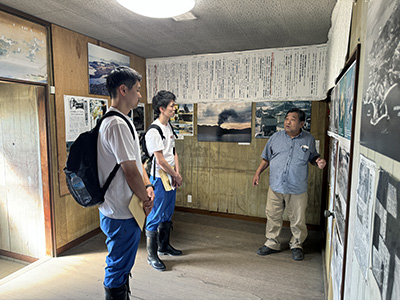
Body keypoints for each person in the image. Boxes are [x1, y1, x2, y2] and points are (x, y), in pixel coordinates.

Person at [97, 66, 154, 299]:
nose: (140, 96)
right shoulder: (117, 124)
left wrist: (147, 187)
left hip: (124, 207)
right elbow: (130, 172)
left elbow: (138, 163)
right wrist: (145, 199)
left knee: (122, 264)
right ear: (123, 90)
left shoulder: (122, 121)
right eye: (137, 90)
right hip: (120, 211)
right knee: (118, 266)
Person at [252, 108, 326, 261]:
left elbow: (312, 157)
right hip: (276, 185)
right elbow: (266, 158)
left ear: (301, 123)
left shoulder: (308, 139)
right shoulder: (275, 137)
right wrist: (258, 173)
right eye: (286, 118)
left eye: (292, 119)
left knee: (297, 218)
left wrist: (318, 161)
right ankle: (272, 242)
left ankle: (297, 244)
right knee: (272, 215)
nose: (287, 121)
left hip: (297, 186)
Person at [144, 90, 183, 271]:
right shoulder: (154, 131)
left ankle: (164, 246)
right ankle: (152, 256)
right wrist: (175, 175)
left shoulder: (169, 127)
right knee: (155, 215)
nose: (174, 108)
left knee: (167, 212)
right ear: (161, 108)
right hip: (159, 178)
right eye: (171, 106)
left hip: (171, 176)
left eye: (174, 105)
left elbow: (174, 152)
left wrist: (177, 172)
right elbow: (159, 160)